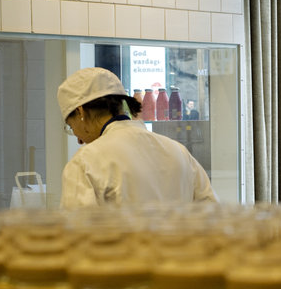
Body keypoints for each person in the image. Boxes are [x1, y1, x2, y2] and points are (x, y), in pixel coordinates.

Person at [57, 67, 217, 208]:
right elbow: (211, 213)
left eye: (71, 126)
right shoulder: (178, 151)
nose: (79, 139)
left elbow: (77, 228)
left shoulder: (85, 162)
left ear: (80, 112)